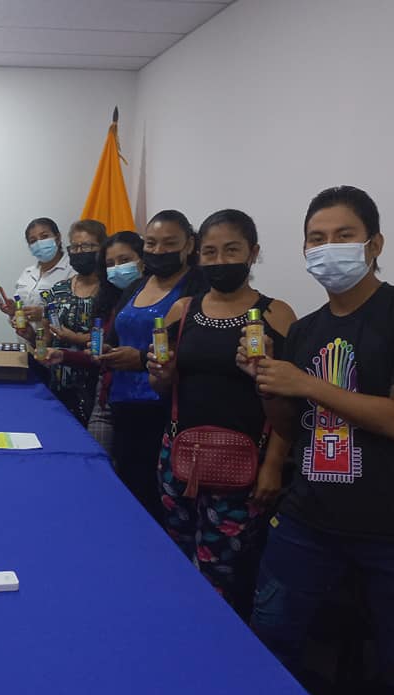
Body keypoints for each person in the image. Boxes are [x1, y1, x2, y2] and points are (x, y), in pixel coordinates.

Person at [242, 187, 394, 695]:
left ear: (374, 244)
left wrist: (305, 383)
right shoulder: (306, 330)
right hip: (309, 517)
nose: (327, 248)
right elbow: (292, 428)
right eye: (316, 239)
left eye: (343, 236)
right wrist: (268, 386)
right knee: (268, 640)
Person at [147, 209, 296, 618]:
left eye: (232, 250)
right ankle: (177, 630)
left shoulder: (275, 315)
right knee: (176, 559)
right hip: (179, 459)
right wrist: (160, 375)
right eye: (210, 252)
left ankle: (219, 642)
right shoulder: (182, 310)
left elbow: (291, 401)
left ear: (253, 253)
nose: (219, 261)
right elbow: (163, 387)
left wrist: (274, 465)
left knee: (223, 572)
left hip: (245, 465)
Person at [97, 213, 207, 519]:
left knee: (159, 500)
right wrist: (107, 351)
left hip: (167, 410)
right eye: (151, 243)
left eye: (169, 243)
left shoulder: (198, 288)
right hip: (124, 406)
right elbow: (115, 336)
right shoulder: (135, 286)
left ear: (189, 245)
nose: (158, 251)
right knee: (128, 493)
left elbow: (200, 350)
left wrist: (141, 360)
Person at [42, 219, 107, 424]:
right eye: (75, 247)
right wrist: (28, 332)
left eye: (86, 246)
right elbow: (45, 338)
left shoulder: (111, 291)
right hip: (56, 383)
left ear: (102, 249)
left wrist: (75, 338)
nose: (79, 252)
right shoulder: (58, 290)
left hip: (94, 387)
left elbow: (111, 337)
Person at [0, 217, 74, 321]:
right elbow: (20, 313)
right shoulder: (28, 273)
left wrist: (44, 314)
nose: (39, 243)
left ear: (58, 238)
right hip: (26, 331)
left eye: (44, 236)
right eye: (33, 241)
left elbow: (77, 313)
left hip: (57, 331)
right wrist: (13, 310)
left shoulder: (72, 271)